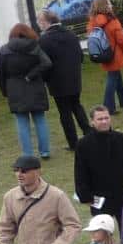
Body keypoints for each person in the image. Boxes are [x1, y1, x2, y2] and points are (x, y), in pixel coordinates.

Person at [0, 22, 53, 159]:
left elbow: (1, 73)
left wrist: (5, 91)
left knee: (22, 122)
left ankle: (27, 154)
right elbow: (47, 63)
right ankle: (44, 151)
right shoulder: (35, 47)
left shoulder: (4, 50)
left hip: (14, 88)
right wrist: (32, 75)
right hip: (35, 86)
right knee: (40, 120)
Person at [36, 9, 90, 151]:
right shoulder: (71, 34)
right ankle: (89, 133)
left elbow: (44, 63)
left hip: (56, 81)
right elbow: (80, 55)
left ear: (45, 22)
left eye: (39, 21)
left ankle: (73, 142)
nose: (39, 25)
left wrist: (45, 79)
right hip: (74, 77)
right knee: (77, 106)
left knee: (64, 112)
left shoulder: (44, 39)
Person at [72, 104, 123, 217]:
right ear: (92, 122)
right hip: (99, 198)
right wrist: (85, 195)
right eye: (100, 119)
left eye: (106, 118)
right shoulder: (83, 145)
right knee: (101, 233)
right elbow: (80, 172)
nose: (104, 122)